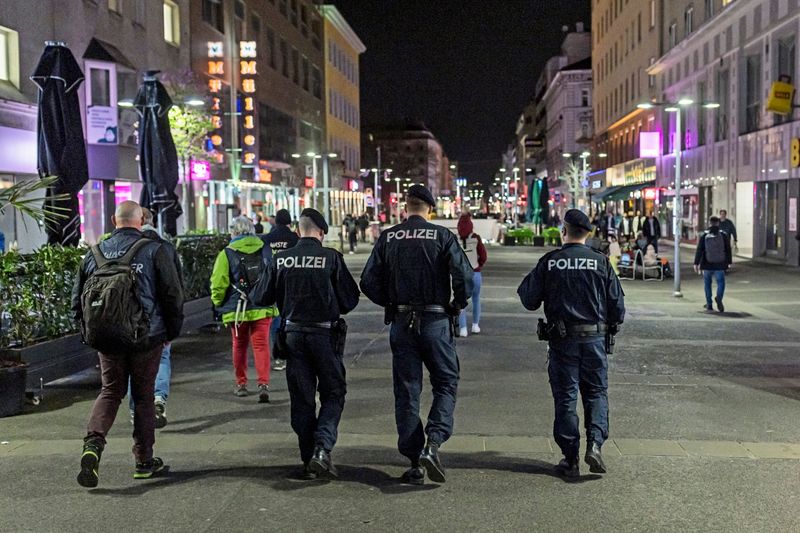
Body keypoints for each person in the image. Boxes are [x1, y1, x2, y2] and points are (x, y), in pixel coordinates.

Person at [360, 185, 473, 485]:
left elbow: (368, 281)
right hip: (436, 320)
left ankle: (414, 458)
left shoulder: (389, 237)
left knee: (407, 390)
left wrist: (390, 301)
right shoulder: (442, 236)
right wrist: (456, 305)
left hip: (401, 321)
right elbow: (465, 277)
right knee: (446, 381)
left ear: (405, 206)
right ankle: (433, 443)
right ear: (429, 209)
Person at [72, 201, 183, 487]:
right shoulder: (154, 250)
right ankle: (144, 461)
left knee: (110, 392)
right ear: (141, 219)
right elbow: (172, 295)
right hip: (146, 337)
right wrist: (171, 330)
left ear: (113, 220)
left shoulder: (93, 254)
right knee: (144, 397)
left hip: (107, 337)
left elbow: (76, 301)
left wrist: (89, 334)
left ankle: (93, 445)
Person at [250, 208, 360, 479]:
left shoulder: (281, 259)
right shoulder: (331, 258)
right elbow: (349, 300)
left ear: (298, 232)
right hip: (325, 336)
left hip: (293, 336)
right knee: (334, 392)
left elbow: (260, 297)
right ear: (322, 233)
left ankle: (307, 458)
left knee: (301, 398)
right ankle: (323, 447)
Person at [517, 209, 625, 478]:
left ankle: (570, 456)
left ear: (564, 231)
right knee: (596, 393)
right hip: (595, 341)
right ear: (588, 234)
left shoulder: (551, 261)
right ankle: (596, 445)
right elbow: (618, 309)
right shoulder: (601, 263)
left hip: (563, 341)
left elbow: (528, 299)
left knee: (565, 397)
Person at [210, 216, 276, 402]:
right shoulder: (265, 249)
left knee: (239, 345)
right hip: (262, 306)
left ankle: (241, 383)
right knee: (261, 345)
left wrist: (218, 302)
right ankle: (263, 384)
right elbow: (273, 274)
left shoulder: (227, 253)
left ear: (234, 232)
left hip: (237, 308)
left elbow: (218, 282)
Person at [127, 207, 182, 429]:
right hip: (158, 321)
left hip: (129, 321)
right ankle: (159, 398)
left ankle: (134, 410)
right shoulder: (165, 248)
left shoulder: (124, 247)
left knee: (133, 366)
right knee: (162, 359)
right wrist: (174, 324)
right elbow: (175, 289)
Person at [260, 208, 300, 372]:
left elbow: (263, 261)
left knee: (276, 321)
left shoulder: (267, 239)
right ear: (289, 221)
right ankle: (294, 352)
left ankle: (278, 355)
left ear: (275, 221)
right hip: (293, 284)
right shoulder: (294, 238)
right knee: (292, 319)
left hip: (274, 283)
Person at [456, 212, 487, 337]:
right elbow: (483, 255)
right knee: (476, 299)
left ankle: (463, 329)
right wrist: (479, 264)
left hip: (461, 274)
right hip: (475, 272)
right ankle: (475, 325)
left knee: (461, 301)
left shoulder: (455, 239)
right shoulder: (476, 238)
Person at [694, 216, 732, 313]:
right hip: (720, 264)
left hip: (707, 263)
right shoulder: (723, 235)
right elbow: (728, 249)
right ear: (718, 223)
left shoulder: (704, 235)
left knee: (707, 284)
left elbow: (700, 249)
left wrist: (696, 263)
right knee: (721, 283)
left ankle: (709, 304)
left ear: (709, 223)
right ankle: (719, 298)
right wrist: (729, 262)